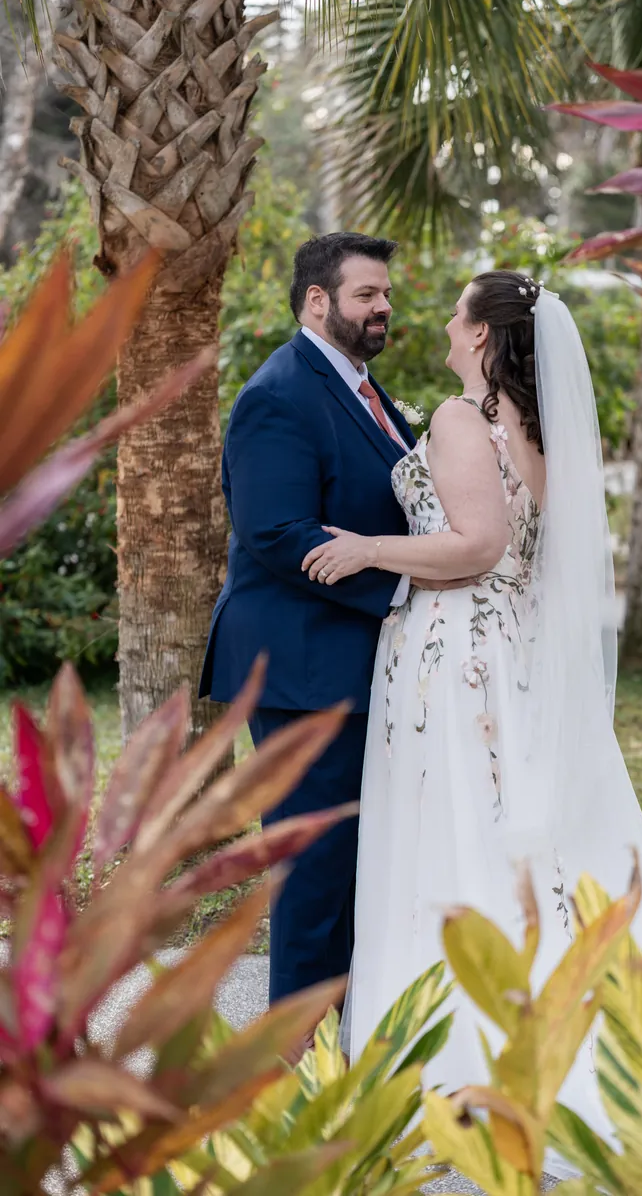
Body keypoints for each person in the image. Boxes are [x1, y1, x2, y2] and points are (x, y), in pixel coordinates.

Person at [301, 271, 642, 1190]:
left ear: (484, 338)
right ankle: (577, 1032)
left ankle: (459, 1049)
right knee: (521, 834)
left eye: (457, 315)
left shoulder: (457, 417)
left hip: (454, 656)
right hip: (514, 650)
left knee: (445, 831)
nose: (445, 326)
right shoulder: (539, 429)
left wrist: (368, 549)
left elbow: (478, 545)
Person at [199, 233, 417, 1020]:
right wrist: (407, 591)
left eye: (386, 293)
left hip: (349, 664)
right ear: (318, 301)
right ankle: (297, 1060)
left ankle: (346, 1037)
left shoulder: (365, 390)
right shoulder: (280, 393)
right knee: (313, 867)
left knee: (352, 862)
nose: (384, 306)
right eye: (367, 294)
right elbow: (278, 532)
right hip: (301, 668)